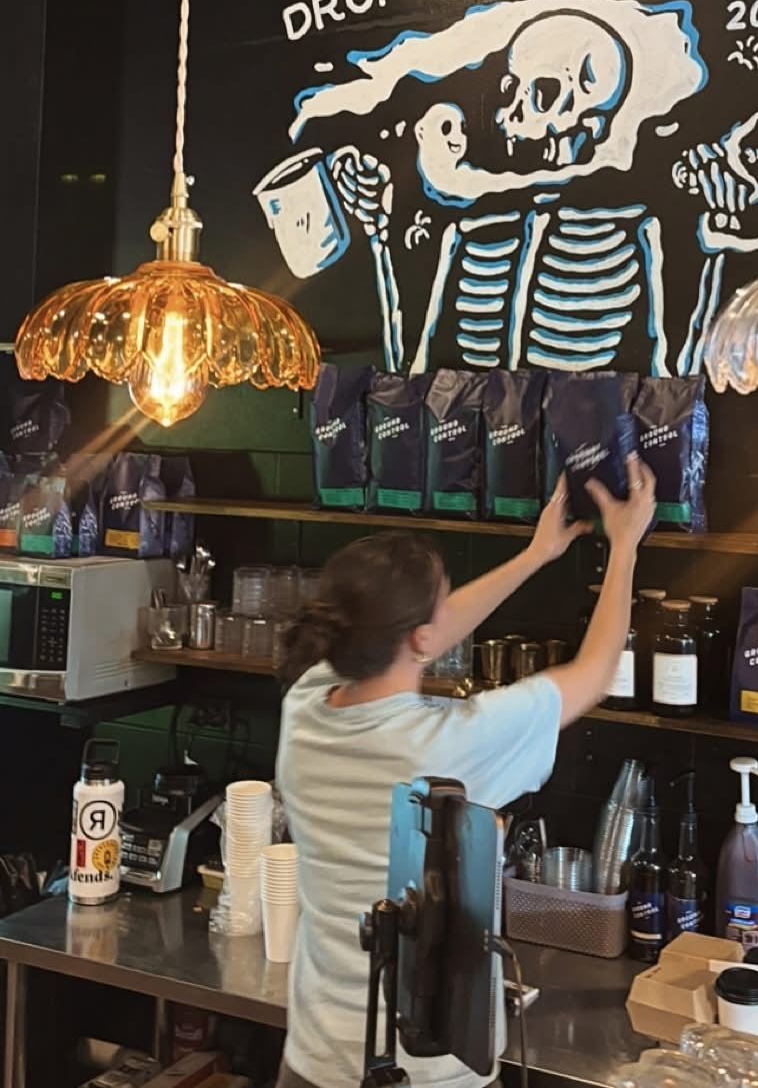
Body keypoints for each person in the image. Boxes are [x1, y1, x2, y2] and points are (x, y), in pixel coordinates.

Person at [275, 456, 657, 1088]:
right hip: (424, 1072)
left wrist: (537, 555)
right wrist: (625, 550)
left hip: (314, 1055)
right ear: (422, 637)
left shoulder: (306, 706)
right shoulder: (449, 744)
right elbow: (591, 676)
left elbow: (425, 629)